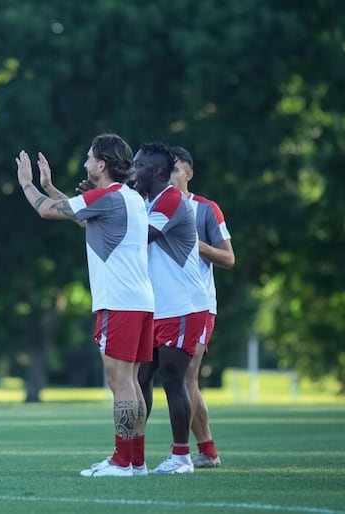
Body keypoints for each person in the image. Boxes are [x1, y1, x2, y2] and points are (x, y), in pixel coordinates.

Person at [15, 133, 155, 478]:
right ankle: (135, 461)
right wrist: (51, 185)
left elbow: (48, 212)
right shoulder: (128, 197)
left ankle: (122, 462)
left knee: (119, 381)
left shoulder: (107, 197)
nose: (85, 164)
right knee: (132, 381)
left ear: (102, 165)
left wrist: (28, 185)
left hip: (119, 302)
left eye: (90, 158)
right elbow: (81, 216)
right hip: (139, 301)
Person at [133, 142, 211, 475]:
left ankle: (181, 457)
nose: (132, 171)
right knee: (141, 376)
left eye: (138, 166)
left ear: (157, 172)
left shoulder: (171, 199)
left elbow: (141, 235)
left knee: (172, 379)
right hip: (158, 305)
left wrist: (101, 210)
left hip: (182, 304)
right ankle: (133, 455)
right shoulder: (149, 200)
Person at [170, 146, 235, 468]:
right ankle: (207, 450)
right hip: (164, 306)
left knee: (186, 376)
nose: (168, 176)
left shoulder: (206, 210)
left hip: (198, 305)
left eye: (175, 170)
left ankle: (192, 452)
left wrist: (194, 243)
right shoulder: (150, 208)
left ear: (189, 173)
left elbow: (228, 258)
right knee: (180, 379)